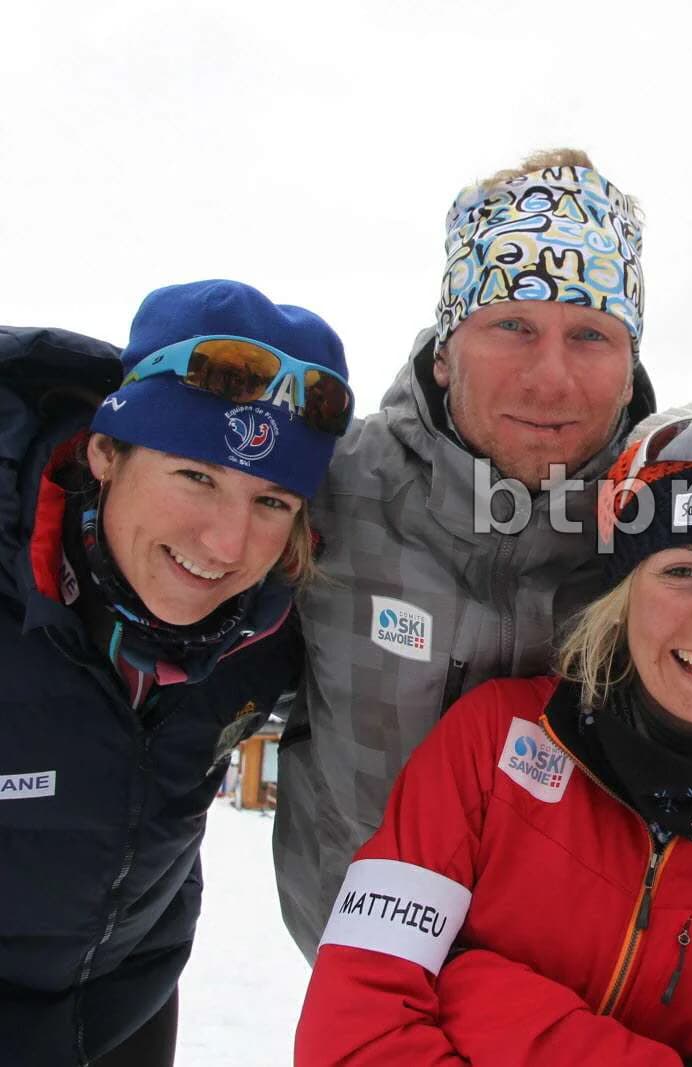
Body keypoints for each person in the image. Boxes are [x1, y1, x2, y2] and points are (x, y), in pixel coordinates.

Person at [295, 399, 692, 1066]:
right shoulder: (491, 742)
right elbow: (349, 1034)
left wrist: (477, 991)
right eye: (684, 571)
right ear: (622, 590)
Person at [273, 148, 657, 959]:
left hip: (583, 1011)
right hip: (360, 984)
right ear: (446, 348)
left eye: (590, 333)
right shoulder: (326, 492)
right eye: (512, 324)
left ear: (630, 370)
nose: (549, 378)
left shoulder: (672, 536)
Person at [0, 281, 352, 1067]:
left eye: (271, 500)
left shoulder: (269, 628)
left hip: (130, 1002)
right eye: (196, 476)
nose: (226, 544)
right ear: (105, 453)